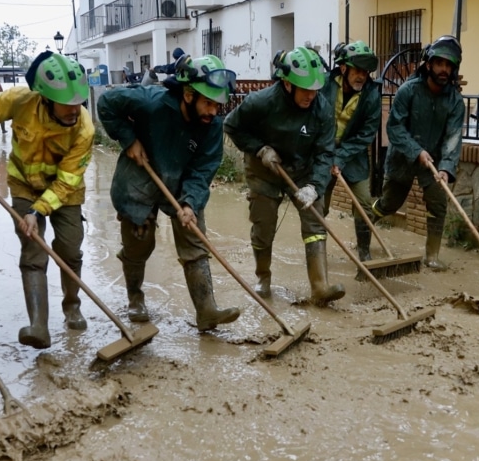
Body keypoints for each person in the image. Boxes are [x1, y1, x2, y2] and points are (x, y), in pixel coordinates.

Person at [0, 52, 94, 349]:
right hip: (22, 184)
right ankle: (38, 325)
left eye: (78, 102)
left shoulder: (84, 129)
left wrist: (39, 210)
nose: (75, 109)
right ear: (45, 98)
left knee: (70, 249)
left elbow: (68, 179)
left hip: (65, 192)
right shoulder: (21, 100)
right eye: (67, 104)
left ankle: (72, 306)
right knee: (33, 250)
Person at [96, 54, 240, 331]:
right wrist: (128, 139)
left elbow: (204, 168)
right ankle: (135, 298)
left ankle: (206, 310)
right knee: (139, 244)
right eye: (208, 103)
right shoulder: (151, 102)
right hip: (140, 176)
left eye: (217, 104)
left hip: (181, 183)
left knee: (195, 241)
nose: (213, 110)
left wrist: (190, 203)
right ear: (188, 94)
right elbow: (106, 103)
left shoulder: (212, 127)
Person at [224, 46, 344, 305]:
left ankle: (320, 287)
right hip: (264, 170)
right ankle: (263, 278)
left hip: (302, 170)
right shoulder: (261, 101)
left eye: (315, 90)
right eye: (305, 90)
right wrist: (259, 149)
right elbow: (231, 125)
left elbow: (325, 153)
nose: (311, 96)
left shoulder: (322, 109)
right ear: (288, 84)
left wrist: (315, 186)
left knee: (315, 220)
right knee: (263, 226)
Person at [371, 35, 466, 271]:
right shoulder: (408, 91)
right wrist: (416, 151)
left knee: (438, 205)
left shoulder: (455, 101)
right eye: (440, 63)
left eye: (449, 65)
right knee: (390, 204)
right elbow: (394, 127)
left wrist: (446, 167)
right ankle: (365, 225)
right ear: (429, 64)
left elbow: (453, 137)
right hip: (403, 157)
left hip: (433, 161)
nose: (444, 69)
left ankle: (431, 256)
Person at [320, 40, 381, 261]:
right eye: (357, 70)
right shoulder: (324, 85)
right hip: (322, 152)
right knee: (318, 205)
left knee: (364, 202)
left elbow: (366, 133)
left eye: (365, 71)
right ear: (344, 68)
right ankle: (317, 254)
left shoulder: (372, 94)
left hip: (353, 154)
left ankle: (364, 254)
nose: (361, 76)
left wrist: (341, 156)